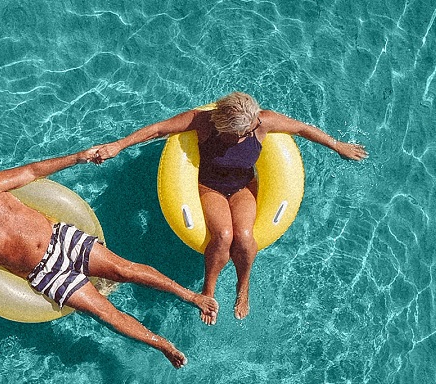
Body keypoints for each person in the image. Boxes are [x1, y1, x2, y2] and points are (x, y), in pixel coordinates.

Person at [0, 149, 218, 368]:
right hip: (46, 274)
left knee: (123, 269)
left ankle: (191, 296)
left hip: (61, 237)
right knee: (104, 313)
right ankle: (162, 345)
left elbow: (33, 171)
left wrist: (78, 157)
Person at [86, 92, 367, 320]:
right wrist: (118, 145)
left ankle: (242, 286)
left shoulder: (261, 122)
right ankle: (209, 288)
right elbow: (158, 129)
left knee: (244, 237)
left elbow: (303, 128)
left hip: (243, 187)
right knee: (223, 236)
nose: (251, 131)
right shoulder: (203, 122)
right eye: (242, 132)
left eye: (251, 127)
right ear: (223, 127)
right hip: (210, 188)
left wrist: (337, 145)